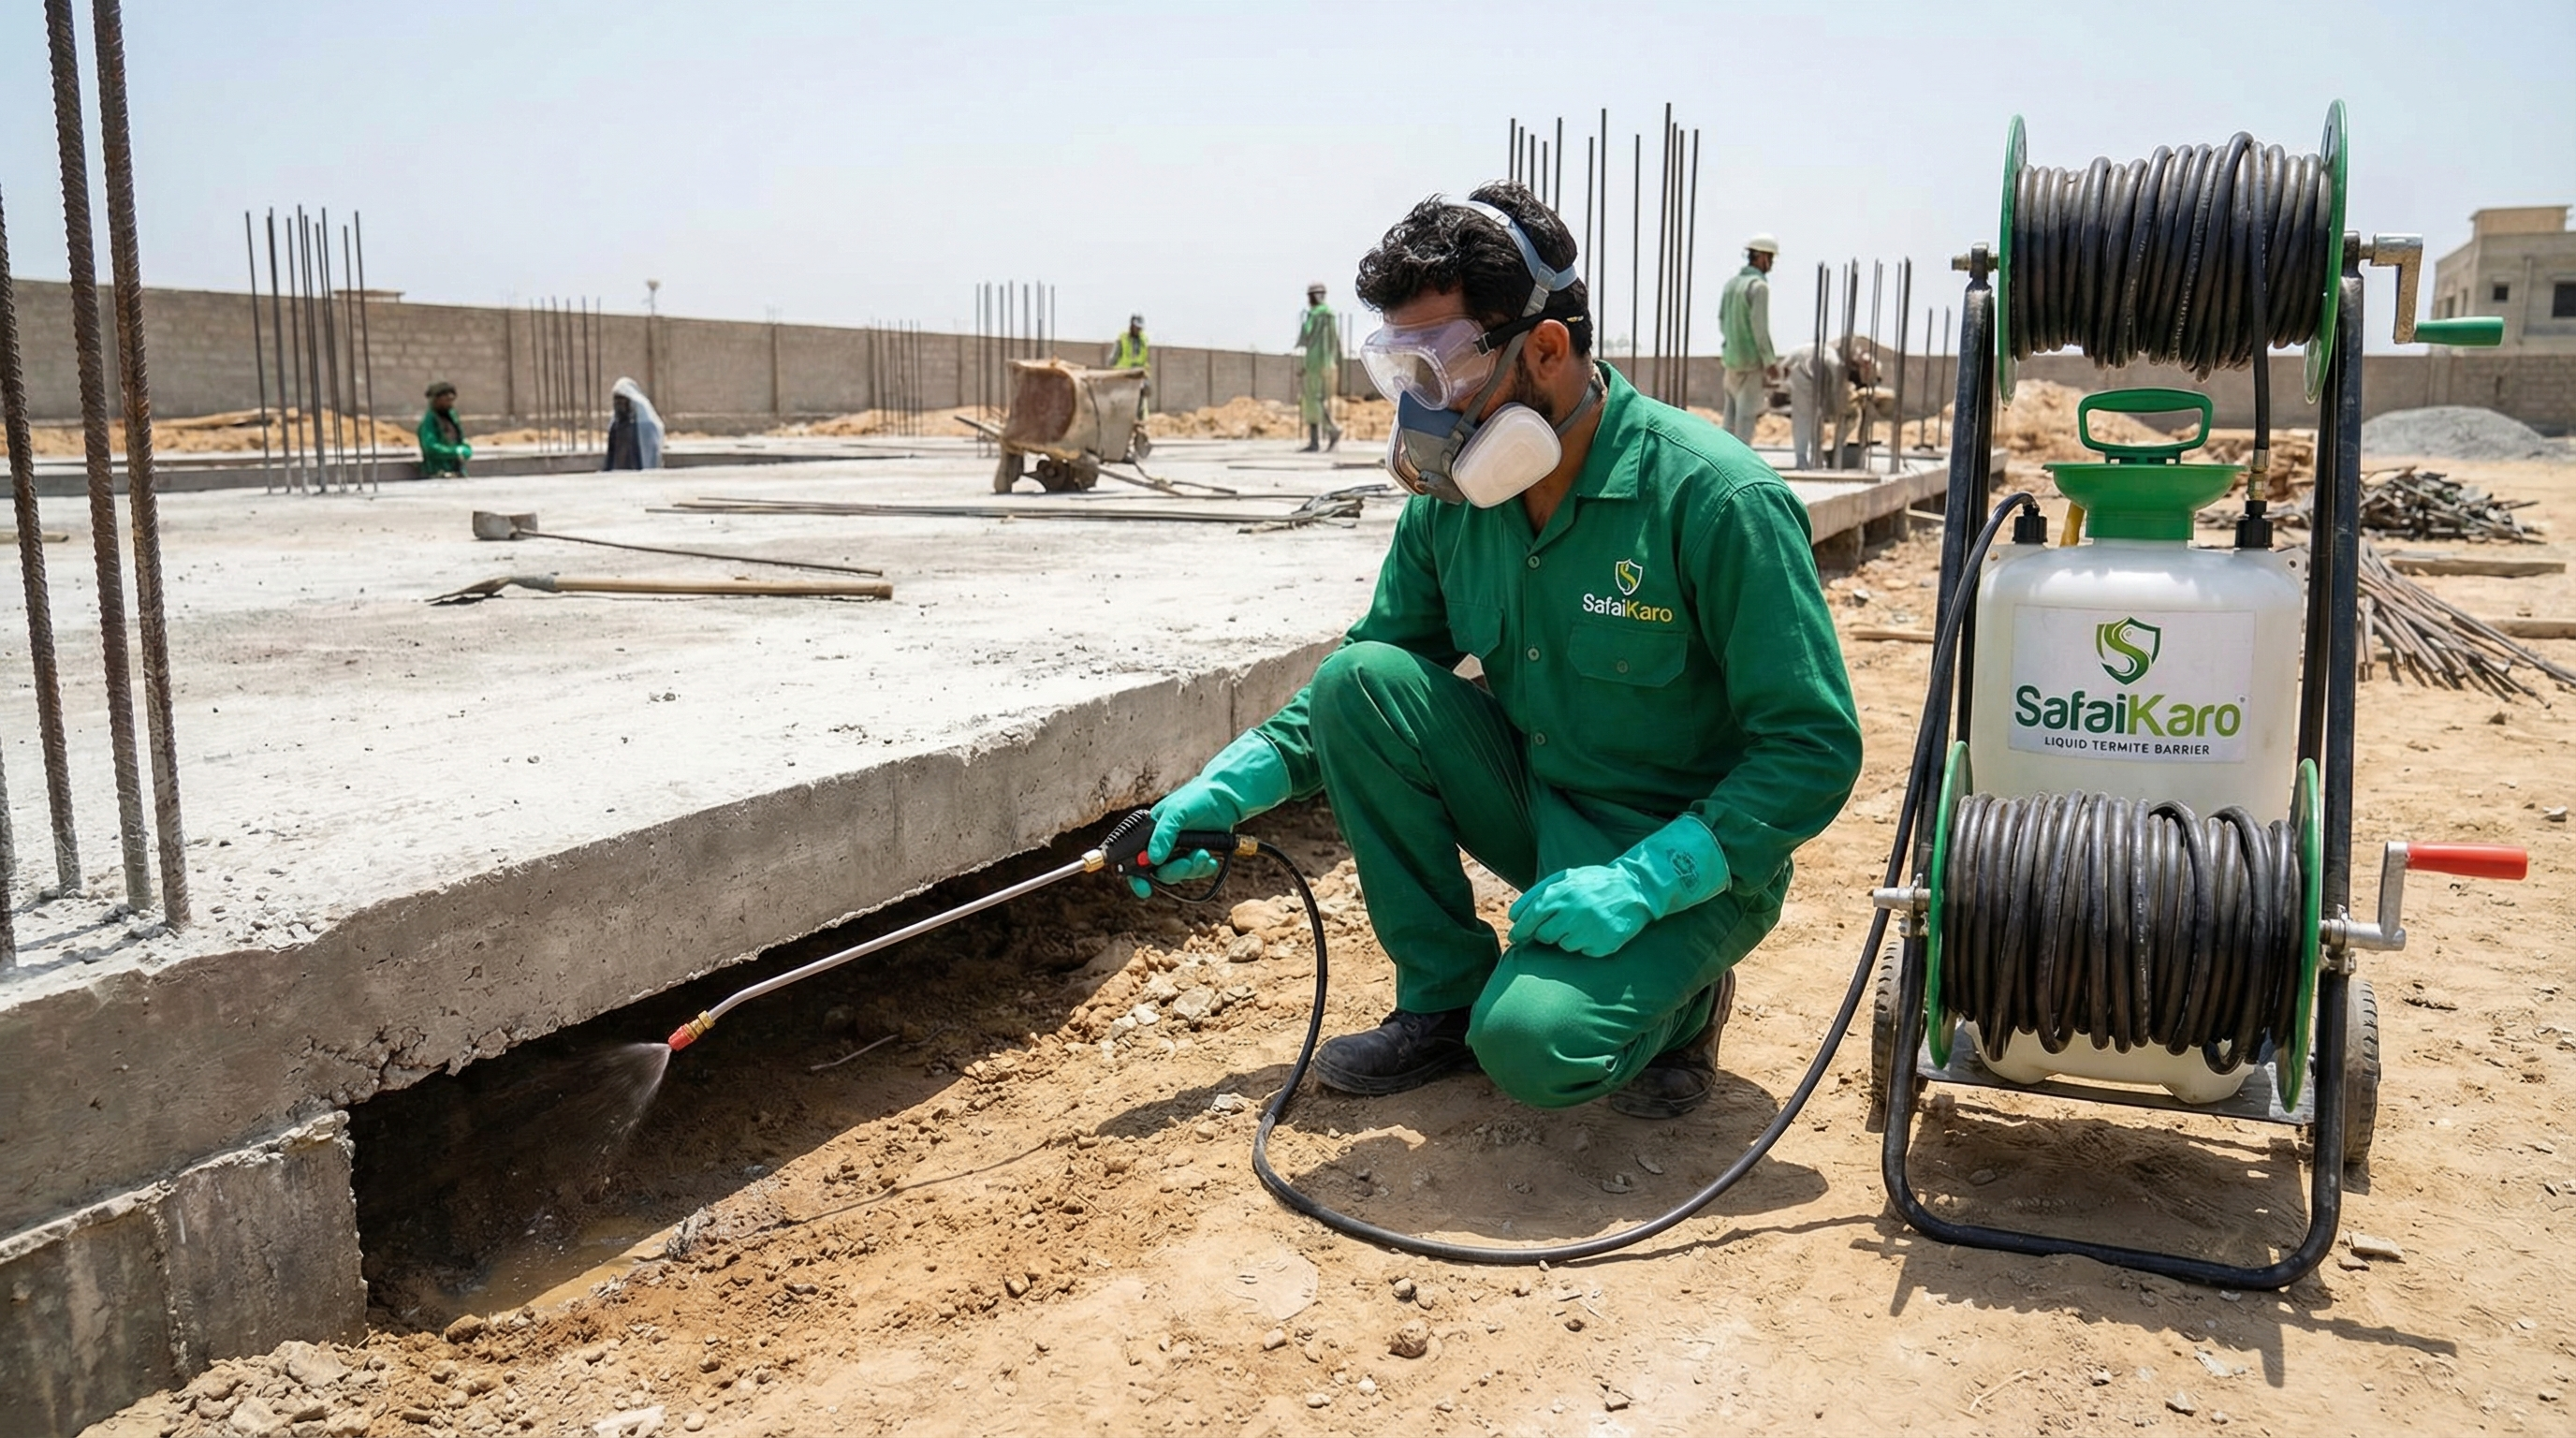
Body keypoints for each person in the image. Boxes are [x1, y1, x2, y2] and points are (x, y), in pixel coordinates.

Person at [1131, 183, 1861, 1120]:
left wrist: (1647, 883)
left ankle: (1683, 999)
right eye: (1402, 370)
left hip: (1681, 853)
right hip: (1536, 801)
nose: (1423, 407)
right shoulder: (1455, 505)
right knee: (1364, 682)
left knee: (1533, 1047)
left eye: (1442, 367)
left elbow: (1812, 748)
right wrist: (1225, 787)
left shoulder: (1713, 499)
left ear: (1546, 349)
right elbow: (1370, 680)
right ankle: (1440, 998)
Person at [1718, 235, 1779, 444]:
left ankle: (1721, 463)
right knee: (1745, 419)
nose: (1770, 264)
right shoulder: (1758, 287)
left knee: (1729, 419)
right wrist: (1769, 361)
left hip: (1731, 360)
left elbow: (1722, 320)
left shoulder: (1731, 285)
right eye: (1769, 258)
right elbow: (1760, 328)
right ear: (1761, 257)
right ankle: (1738, 470)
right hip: (1750, 362)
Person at [1784, 340, 1879, 470]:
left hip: (1805, 367)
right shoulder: (1836, 363)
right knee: (1804, 417)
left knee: (1815, 417)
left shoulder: (1834, 359)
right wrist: (1839, 411)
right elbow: (1836, 392)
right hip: (1801, 371)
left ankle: (1817, 456)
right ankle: (1802, 458)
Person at [1295, 283, 1343, 452]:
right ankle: (1314, 440)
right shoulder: (1328, 315)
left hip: (1315, 363)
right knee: (1314, 400)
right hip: (1325, 363)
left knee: (1314, 400)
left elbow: (1306, 336)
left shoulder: (1317, 315)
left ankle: (1332, 430)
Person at [602, 376, 666, 471]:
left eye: (622, 401)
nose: (618, 405)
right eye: (616, 401)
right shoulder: (615, 425)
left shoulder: (646, 425)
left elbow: (650, 454)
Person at [417, 381, 471, 477]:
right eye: (446, 399)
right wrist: (455, 452)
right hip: (437, 472)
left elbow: (461, 440)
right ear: (436, 400)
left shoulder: (452, 418)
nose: (449, 403)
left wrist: (465, 449)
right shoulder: (429, 421)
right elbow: (430, 447)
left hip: (457, 471)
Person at [1108, 314, 1151, 418]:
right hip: (1123, 376)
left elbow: (1145, 361)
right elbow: (1112, 359)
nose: (1138, 330)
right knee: (1121, 402)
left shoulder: (1143, 341)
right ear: (1131, 326)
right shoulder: (1123, 339)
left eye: (1140, 328)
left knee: (1139, 402)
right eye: (1137, 327)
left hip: (1137, 376)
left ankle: (1139, 423)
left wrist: (1146, 378)